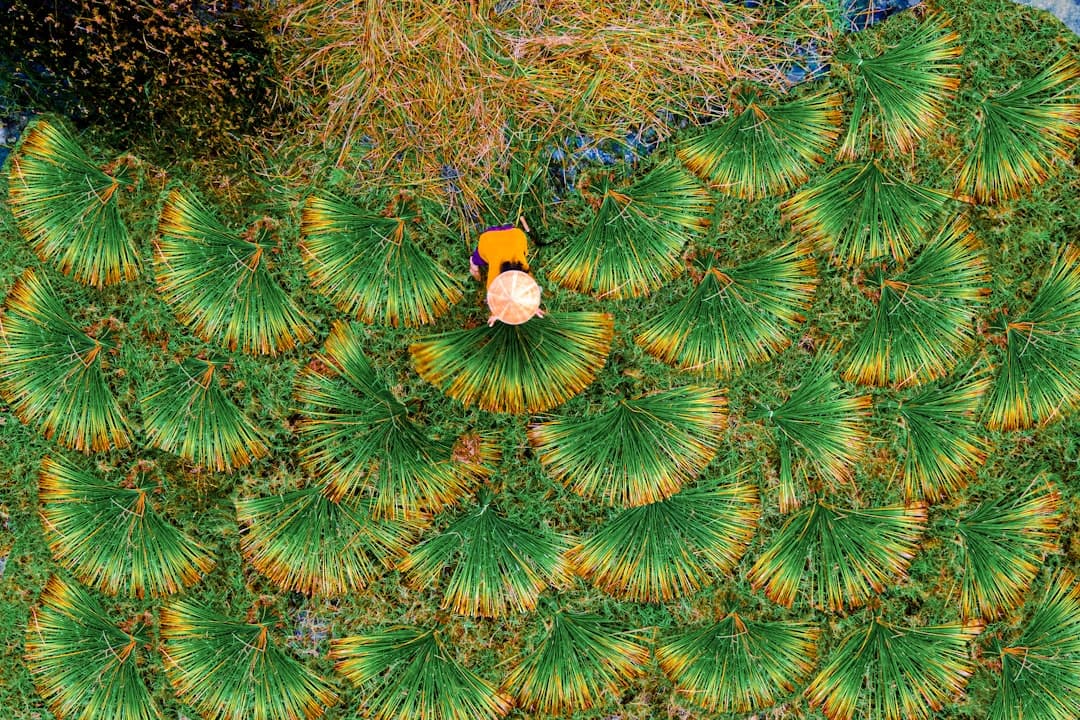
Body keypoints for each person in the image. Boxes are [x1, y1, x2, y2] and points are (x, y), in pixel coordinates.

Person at [469, 220, 545, 326]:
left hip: (515, 234)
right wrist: (494, 314)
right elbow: (493, 299)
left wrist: (534, 308)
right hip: (488, 239)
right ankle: (473, 265)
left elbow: (530, 292)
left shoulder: (527, 278)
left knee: (517, 250)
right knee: (476, 261)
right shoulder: (493, 282)